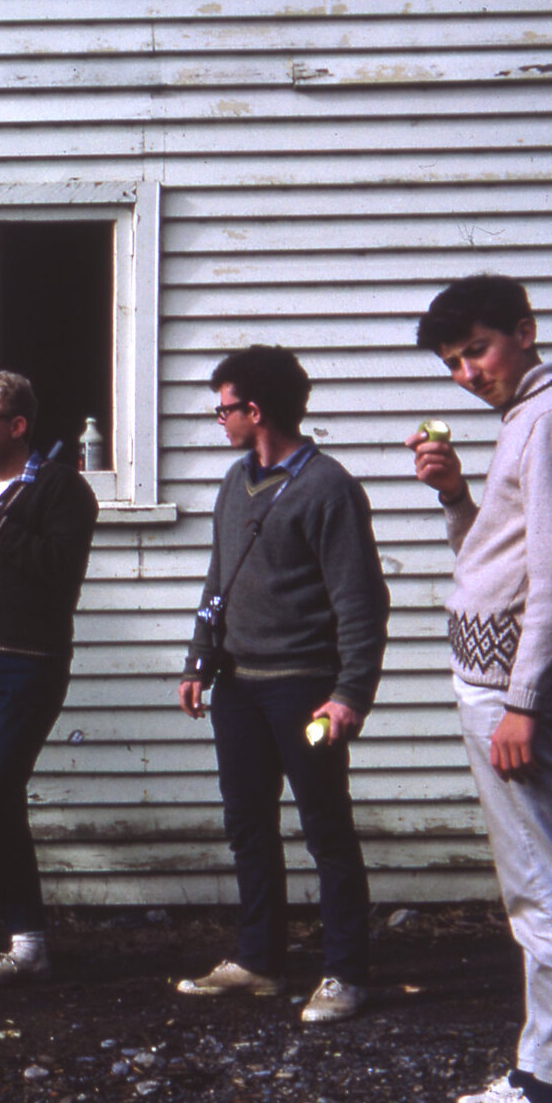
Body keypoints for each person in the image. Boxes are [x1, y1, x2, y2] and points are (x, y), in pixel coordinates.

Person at [409, 277, 552, 1103]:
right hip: (491, 684)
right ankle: (544, 1070)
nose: (465, 373)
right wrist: (457, 495)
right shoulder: (524, 417)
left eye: (476, 351)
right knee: (529, 883)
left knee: (543, 888)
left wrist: (523, 702)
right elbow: (498, 556)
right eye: (452, 362)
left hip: (508, 694)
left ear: (524, 333)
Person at [176, 346, 387, 1024]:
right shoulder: (235, 483)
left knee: (326, 826)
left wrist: (350, 693)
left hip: (304, 689)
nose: (219, 420)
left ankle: (346, 974)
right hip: (237, 687)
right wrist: (198, 659)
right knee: (248, 825)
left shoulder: (329, 488)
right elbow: (219, 580)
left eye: (223, 408)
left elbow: (361, 601)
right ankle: (260, 960)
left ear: (255, 410)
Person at [0, 372, 97, 987]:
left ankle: (4, 921)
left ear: (17, 425)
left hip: (30, 664)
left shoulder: (63, 488)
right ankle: (5, 925)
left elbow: (59, 573)